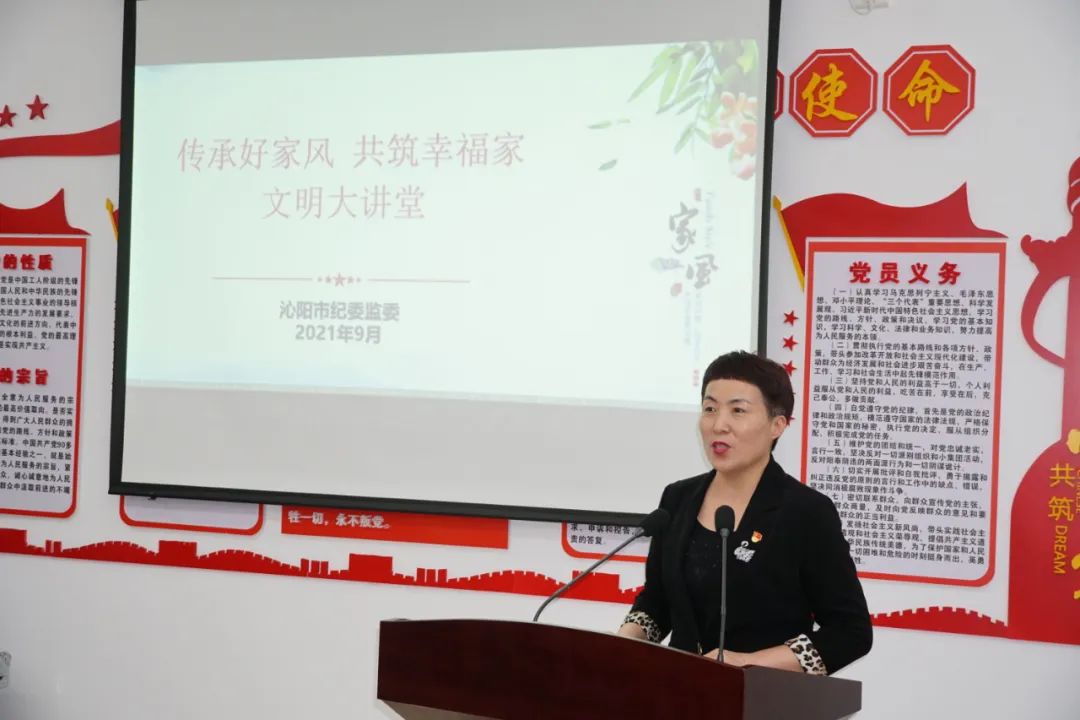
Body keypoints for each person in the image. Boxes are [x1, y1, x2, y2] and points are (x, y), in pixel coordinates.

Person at [617, 351, 872, 675]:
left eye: (738, 410)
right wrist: (623, 641)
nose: (718, 425)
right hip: (680, 690)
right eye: (710, 409)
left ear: (777, 425)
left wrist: (746, 663)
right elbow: (658, 603)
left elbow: (850, 632)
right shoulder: (677, 498)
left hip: (762, 695)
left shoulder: (805, 512)